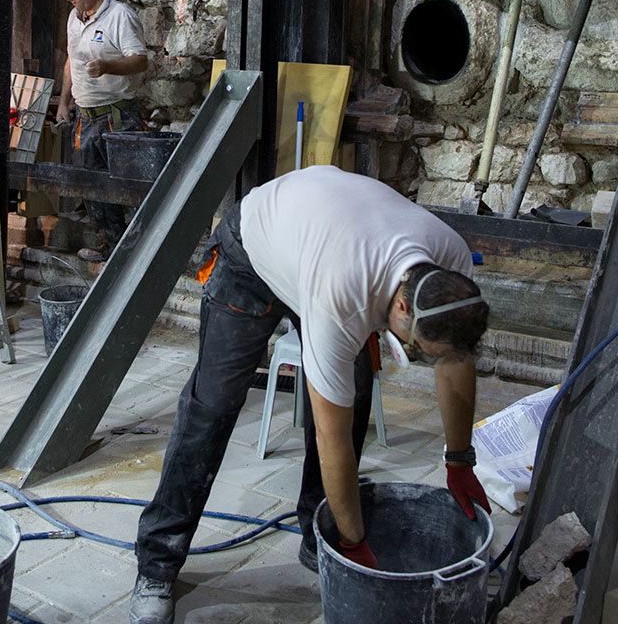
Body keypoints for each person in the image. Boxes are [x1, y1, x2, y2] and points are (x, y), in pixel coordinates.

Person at [128, 165, 491, 624]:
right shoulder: (344, 297)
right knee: (213, 406)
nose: (415, 354)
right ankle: (157, 564)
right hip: (252, 253)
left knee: (356, 393)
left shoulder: (451, 263)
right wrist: (357, 541)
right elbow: (329, 435)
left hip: (318, 243)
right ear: (402, 305)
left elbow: (455, 361)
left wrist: (459, 461)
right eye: (415, 347)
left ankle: (318, 536)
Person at [52, 0, 150, 262]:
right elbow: (72, 61)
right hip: (85, 116)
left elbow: (140, 61)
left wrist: (107, 66)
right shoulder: (74, 19)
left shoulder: (120, 16)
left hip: (116, 117)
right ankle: (110, 248)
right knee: (94, 189)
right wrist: (64, 103)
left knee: (128, 188)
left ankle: (140, 254)